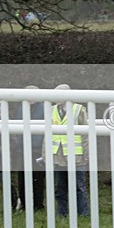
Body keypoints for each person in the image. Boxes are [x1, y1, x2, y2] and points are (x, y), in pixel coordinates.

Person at [49, 84, 89, 217]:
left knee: (79, 187)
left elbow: (86, 134)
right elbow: (47, 134)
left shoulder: (79, 109)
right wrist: (46, 154)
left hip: (77, 155)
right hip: (58, 156)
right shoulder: (51, 110)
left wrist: (87, 153)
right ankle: (62, 214)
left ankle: (83, 214)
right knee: (60, 188)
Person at [14, 85, 46, 211]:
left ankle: (38, 206)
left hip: (37, 149)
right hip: (22, 149)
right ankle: (24, 205)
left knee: (37, 179)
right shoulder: (21, 109)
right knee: (22, 178)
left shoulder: (44, 108)